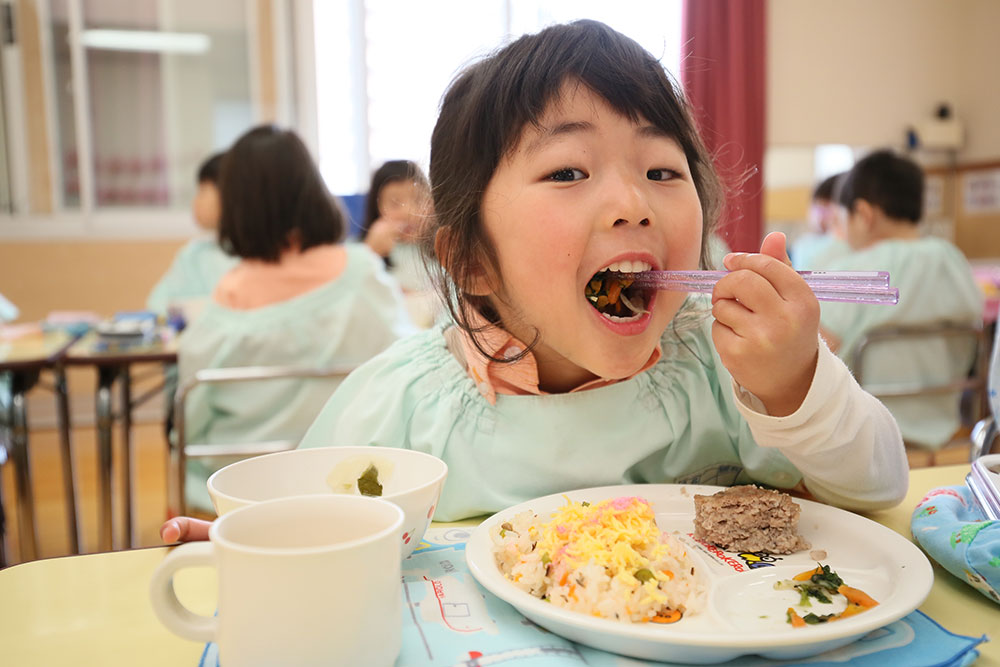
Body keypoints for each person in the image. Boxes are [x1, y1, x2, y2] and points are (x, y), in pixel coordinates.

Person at [162, 21, 906, 542]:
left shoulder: (724, 370)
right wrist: (263, 539)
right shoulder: (405, 407)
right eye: (569, 171)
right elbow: (313, 527)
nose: (633, 203)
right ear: (471, 261)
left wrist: (796, 386)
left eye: (661, 170)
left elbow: (877, 485)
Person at [175, 125, 415, 513]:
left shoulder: (228, 297)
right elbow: (406, 366)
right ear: (313, 188)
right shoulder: (362, 273)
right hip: (349, 483)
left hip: (243, 494)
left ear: (235, 206)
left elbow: (192, 419)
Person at [818, 149, 983, 451]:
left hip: (866, 440)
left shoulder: (855, 272)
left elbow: (819, 347)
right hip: (948, 434)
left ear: (864, 215)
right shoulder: (953, 259)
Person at [146, 153, 237, 321]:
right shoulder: (194, 253)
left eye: (202, 191)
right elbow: (156, 305)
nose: (195, 201)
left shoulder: (255, 254)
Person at [790, 172, 850, 271]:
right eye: (817, 208)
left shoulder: (848, 246)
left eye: (826, 209)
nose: (820, 217)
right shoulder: (804, 245)